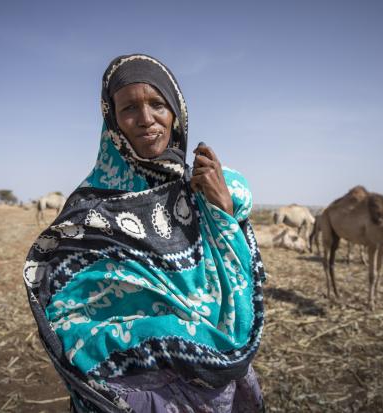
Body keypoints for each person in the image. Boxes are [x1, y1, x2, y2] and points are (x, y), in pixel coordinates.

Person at [24, 54, 266, 413]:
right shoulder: (90, 209)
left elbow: (241, 282)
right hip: (135, 392)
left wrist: (223, 211)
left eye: (157, 104)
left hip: (218, 384)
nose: (146, 119)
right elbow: (64, 304)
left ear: (176, 113)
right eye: (129, 109)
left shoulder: (210, 187)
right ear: (113, 121)